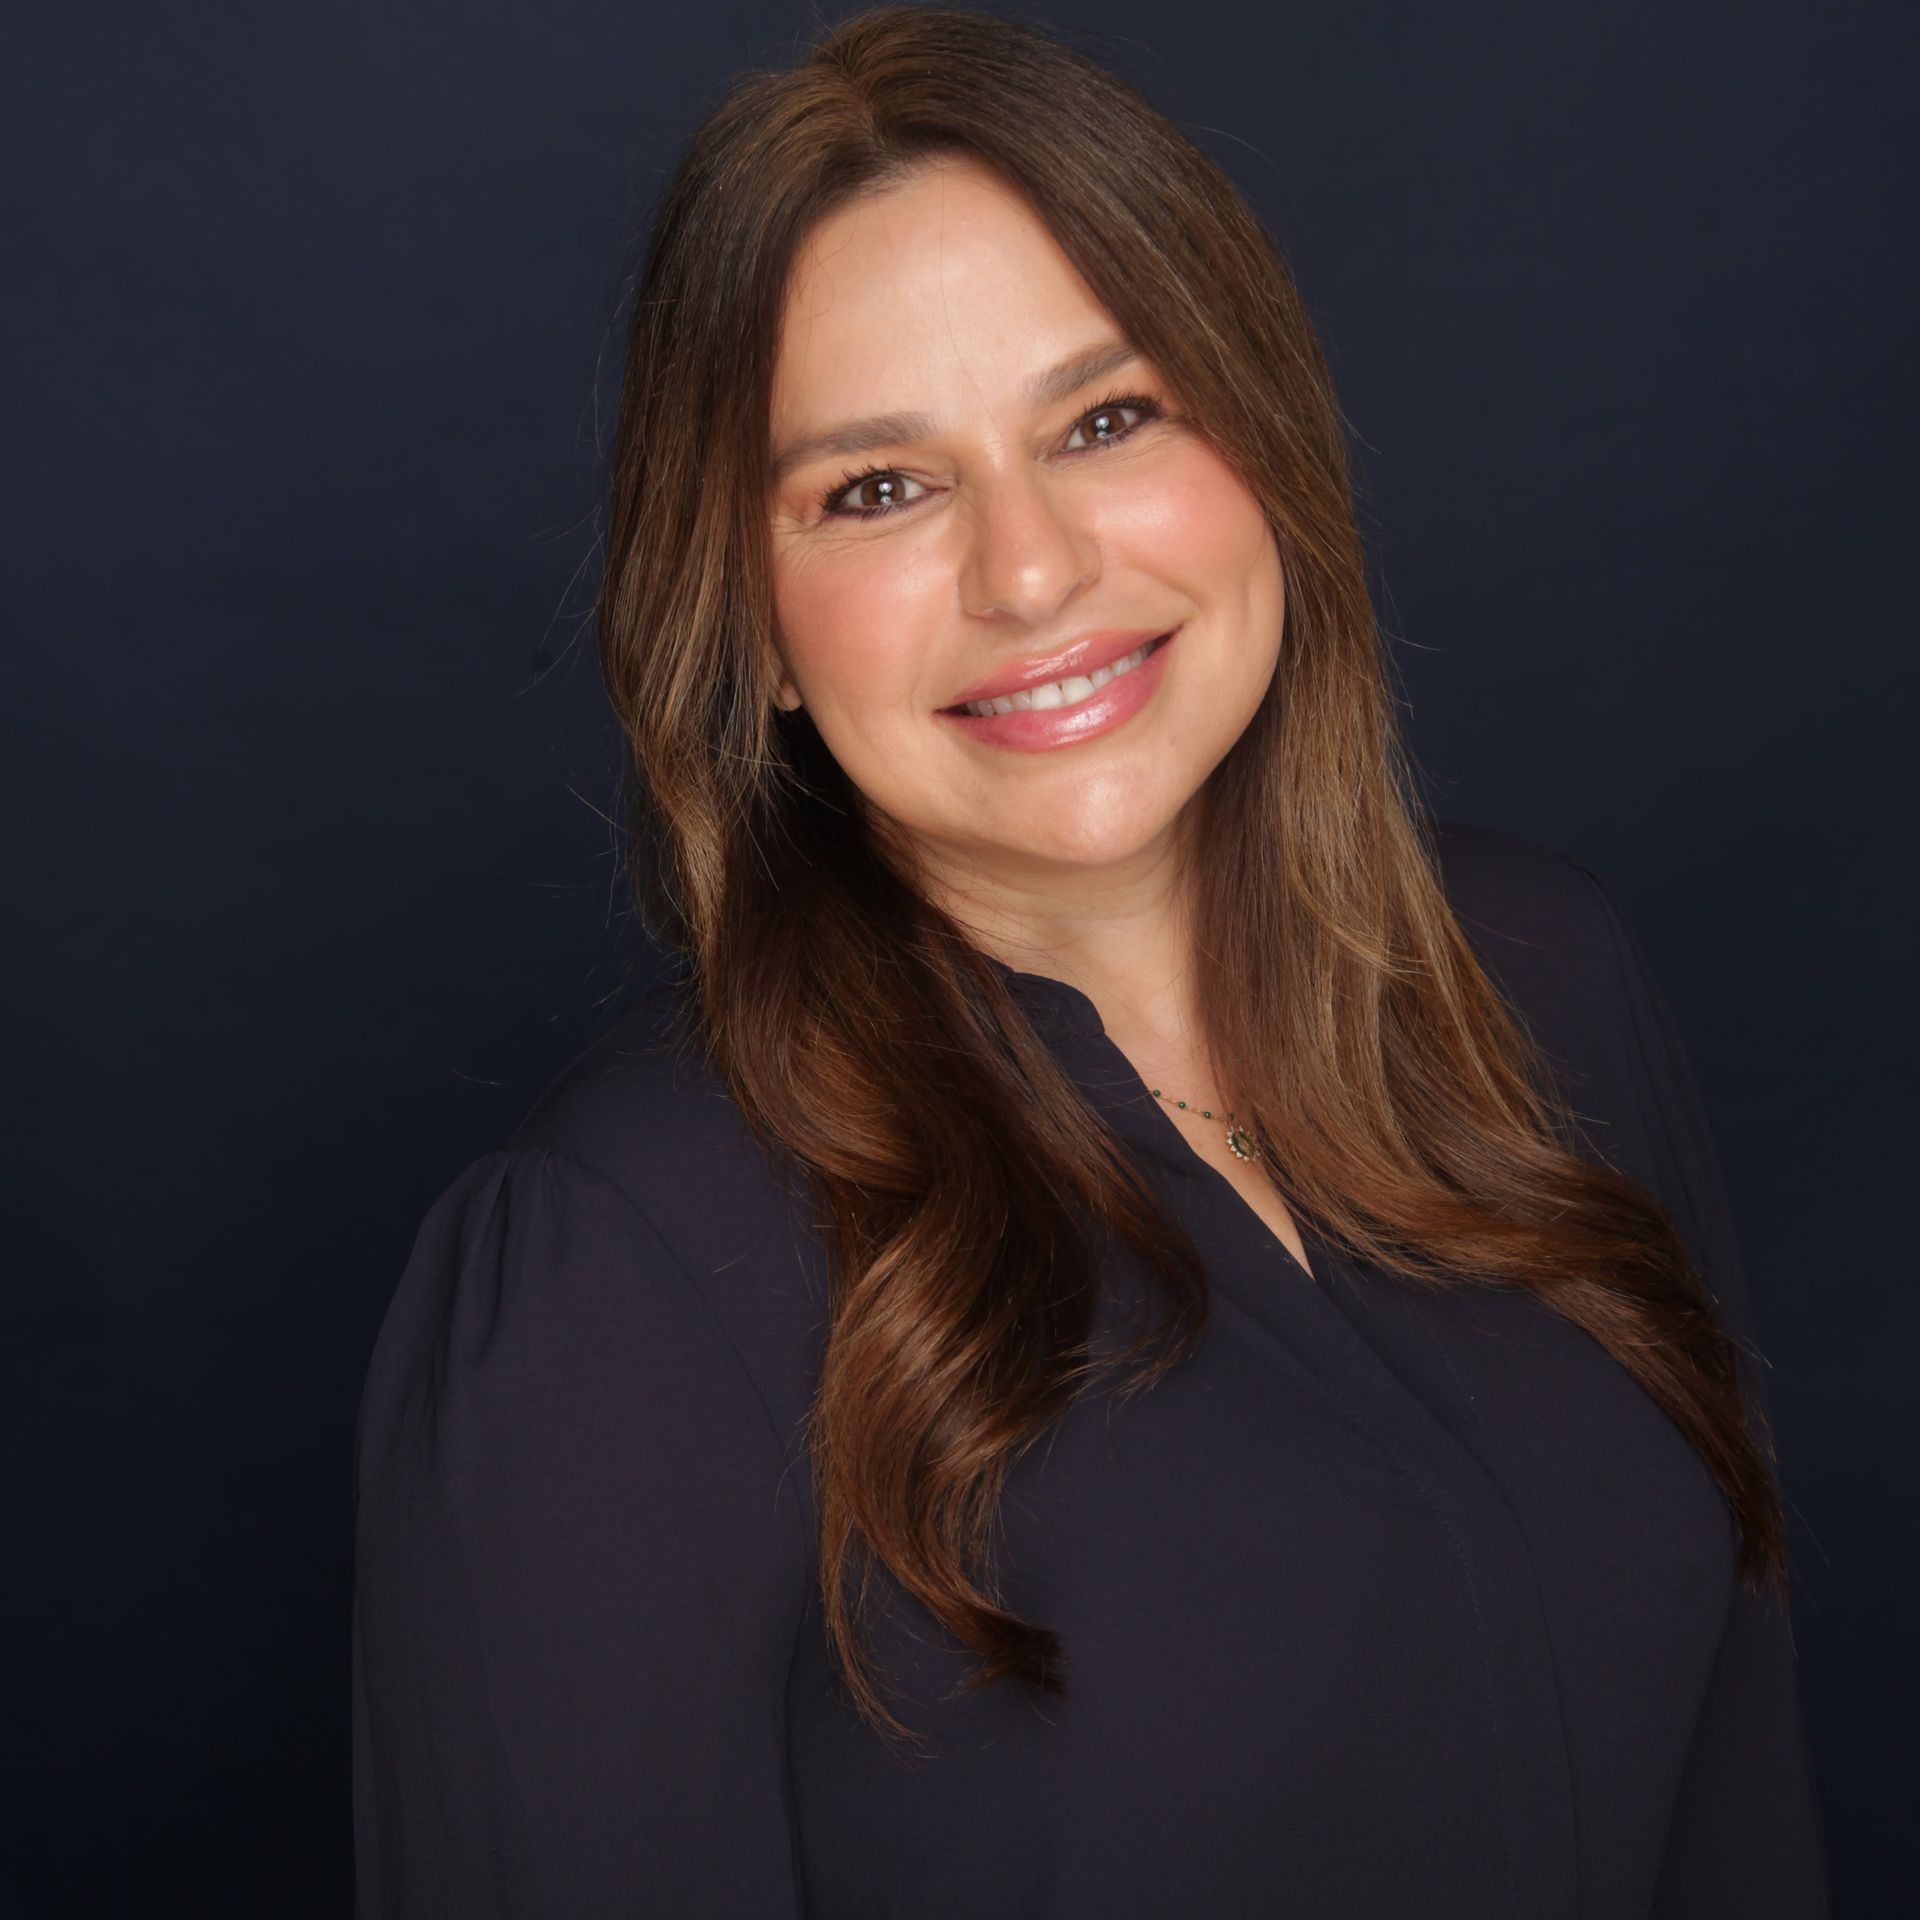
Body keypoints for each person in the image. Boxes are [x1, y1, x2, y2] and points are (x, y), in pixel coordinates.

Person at [350, 6, 1831, 1914]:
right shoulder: (612, 1270)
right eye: (879, 488)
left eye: (1108, 419)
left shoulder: (1541, 977)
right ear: (752, 616)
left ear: (1268, 447)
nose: (1031, 572)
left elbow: (1741, 1815)